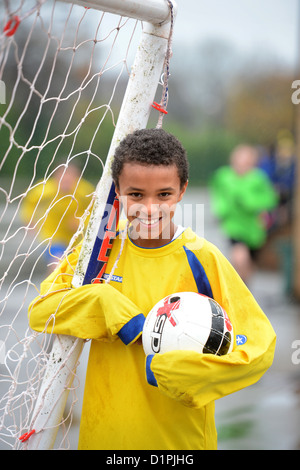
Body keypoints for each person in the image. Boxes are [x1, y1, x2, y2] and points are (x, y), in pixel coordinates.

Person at [28, 129, 276, 450]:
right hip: (104, 439)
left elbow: (259, 347)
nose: (149, 209)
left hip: (178, 444)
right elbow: (41, 310)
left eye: (163, 195)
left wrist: (183, 372)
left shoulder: (201, 257)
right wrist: (103, 302)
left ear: (182, 190)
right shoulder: (99, 253)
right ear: (117, 190)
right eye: (135, 195)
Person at [210, 144, 278, 284]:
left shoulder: (258, 179)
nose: (241, 165)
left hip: (254, 228)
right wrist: (220, 210)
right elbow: (218, 195)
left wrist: (249, 203)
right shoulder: (223, 176)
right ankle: (236, 284)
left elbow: (269, 199)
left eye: (246, 161)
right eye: (239, 160)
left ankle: (245, 288)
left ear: (252, 163)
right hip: (234, 224)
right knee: (240, 257)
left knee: (250, 263)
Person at [21, 162, 94, 269]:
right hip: (52, 236)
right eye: (63, 176)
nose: (66, 180)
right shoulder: (44, 189)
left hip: (76, 239)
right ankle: (53, 285)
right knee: (57, 263)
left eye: (71, 177)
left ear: (78, 177)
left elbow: (95, 211)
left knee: (75, 268)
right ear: (56, 176)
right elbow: (29, 203)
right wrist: (29, 221)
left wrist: (81, 221)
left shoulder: (86, 192)